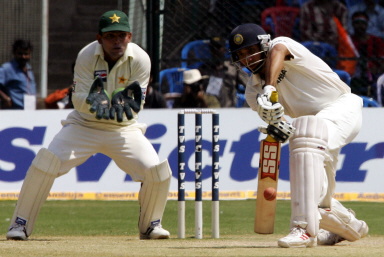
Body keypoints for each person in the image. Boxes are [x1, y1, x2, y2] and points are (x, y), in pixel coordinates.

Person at [6, 10, 171, 241]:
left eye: (121, 36)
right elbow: (77, 98)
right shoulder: (86, 55)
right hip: (84, 125)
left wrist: (121, 105)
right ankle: (19, 224)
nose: (116, 42)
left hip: (122, 129)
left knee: (157, 172)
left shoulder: (141, 59)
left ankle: (151, 226)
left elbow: (137, 102)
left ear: (130, 36)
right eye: (110, 36)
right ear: (99, 38)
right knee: (45, 162)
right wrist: (95, 104)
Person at [228, 23, 368, 248]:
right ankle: (351, 226)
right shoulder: (253, 92)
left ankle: (303, 228)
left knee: (306, 137)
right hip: (312, 129)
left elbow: (278, 50)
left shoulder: (282, 46)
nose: (248, 59)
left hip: (342, 107)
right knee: (320, 197)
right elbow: (284, 125)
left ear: (264, 45)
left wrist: (270, 88)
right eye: (241, 55)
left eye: (251, 51)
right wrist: (278, 125)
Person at [199, 37, 249, 108]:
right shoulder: (204, 68)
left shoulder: (233, 67)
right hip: (209, 105)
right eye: (214, 47)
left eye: (219, 47)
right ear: (211, 50)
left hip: (228, 104)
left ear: (224, 49)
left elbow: (248, 84)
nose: (216, 50)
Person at [350, 11, 384, 97]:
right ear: (353, 25)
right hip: (354, 74)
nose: (360, 26)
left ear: (367, 25)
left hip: (374, 73)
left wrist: (377, 68)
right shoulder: (349, 41)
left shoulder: (376, 40)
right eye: (357, 23)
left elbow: (382, 59)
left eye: (362, 23)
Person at [0, 39, 36, 109]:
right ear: (14, 53)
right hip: (14, 112)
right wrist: (5, 99)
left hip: (29, 110)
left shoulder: (29, 68)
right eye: (20, 54)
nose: (23, 57)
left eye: (26, 54)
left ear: (30, 54)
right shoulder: (7, 68)